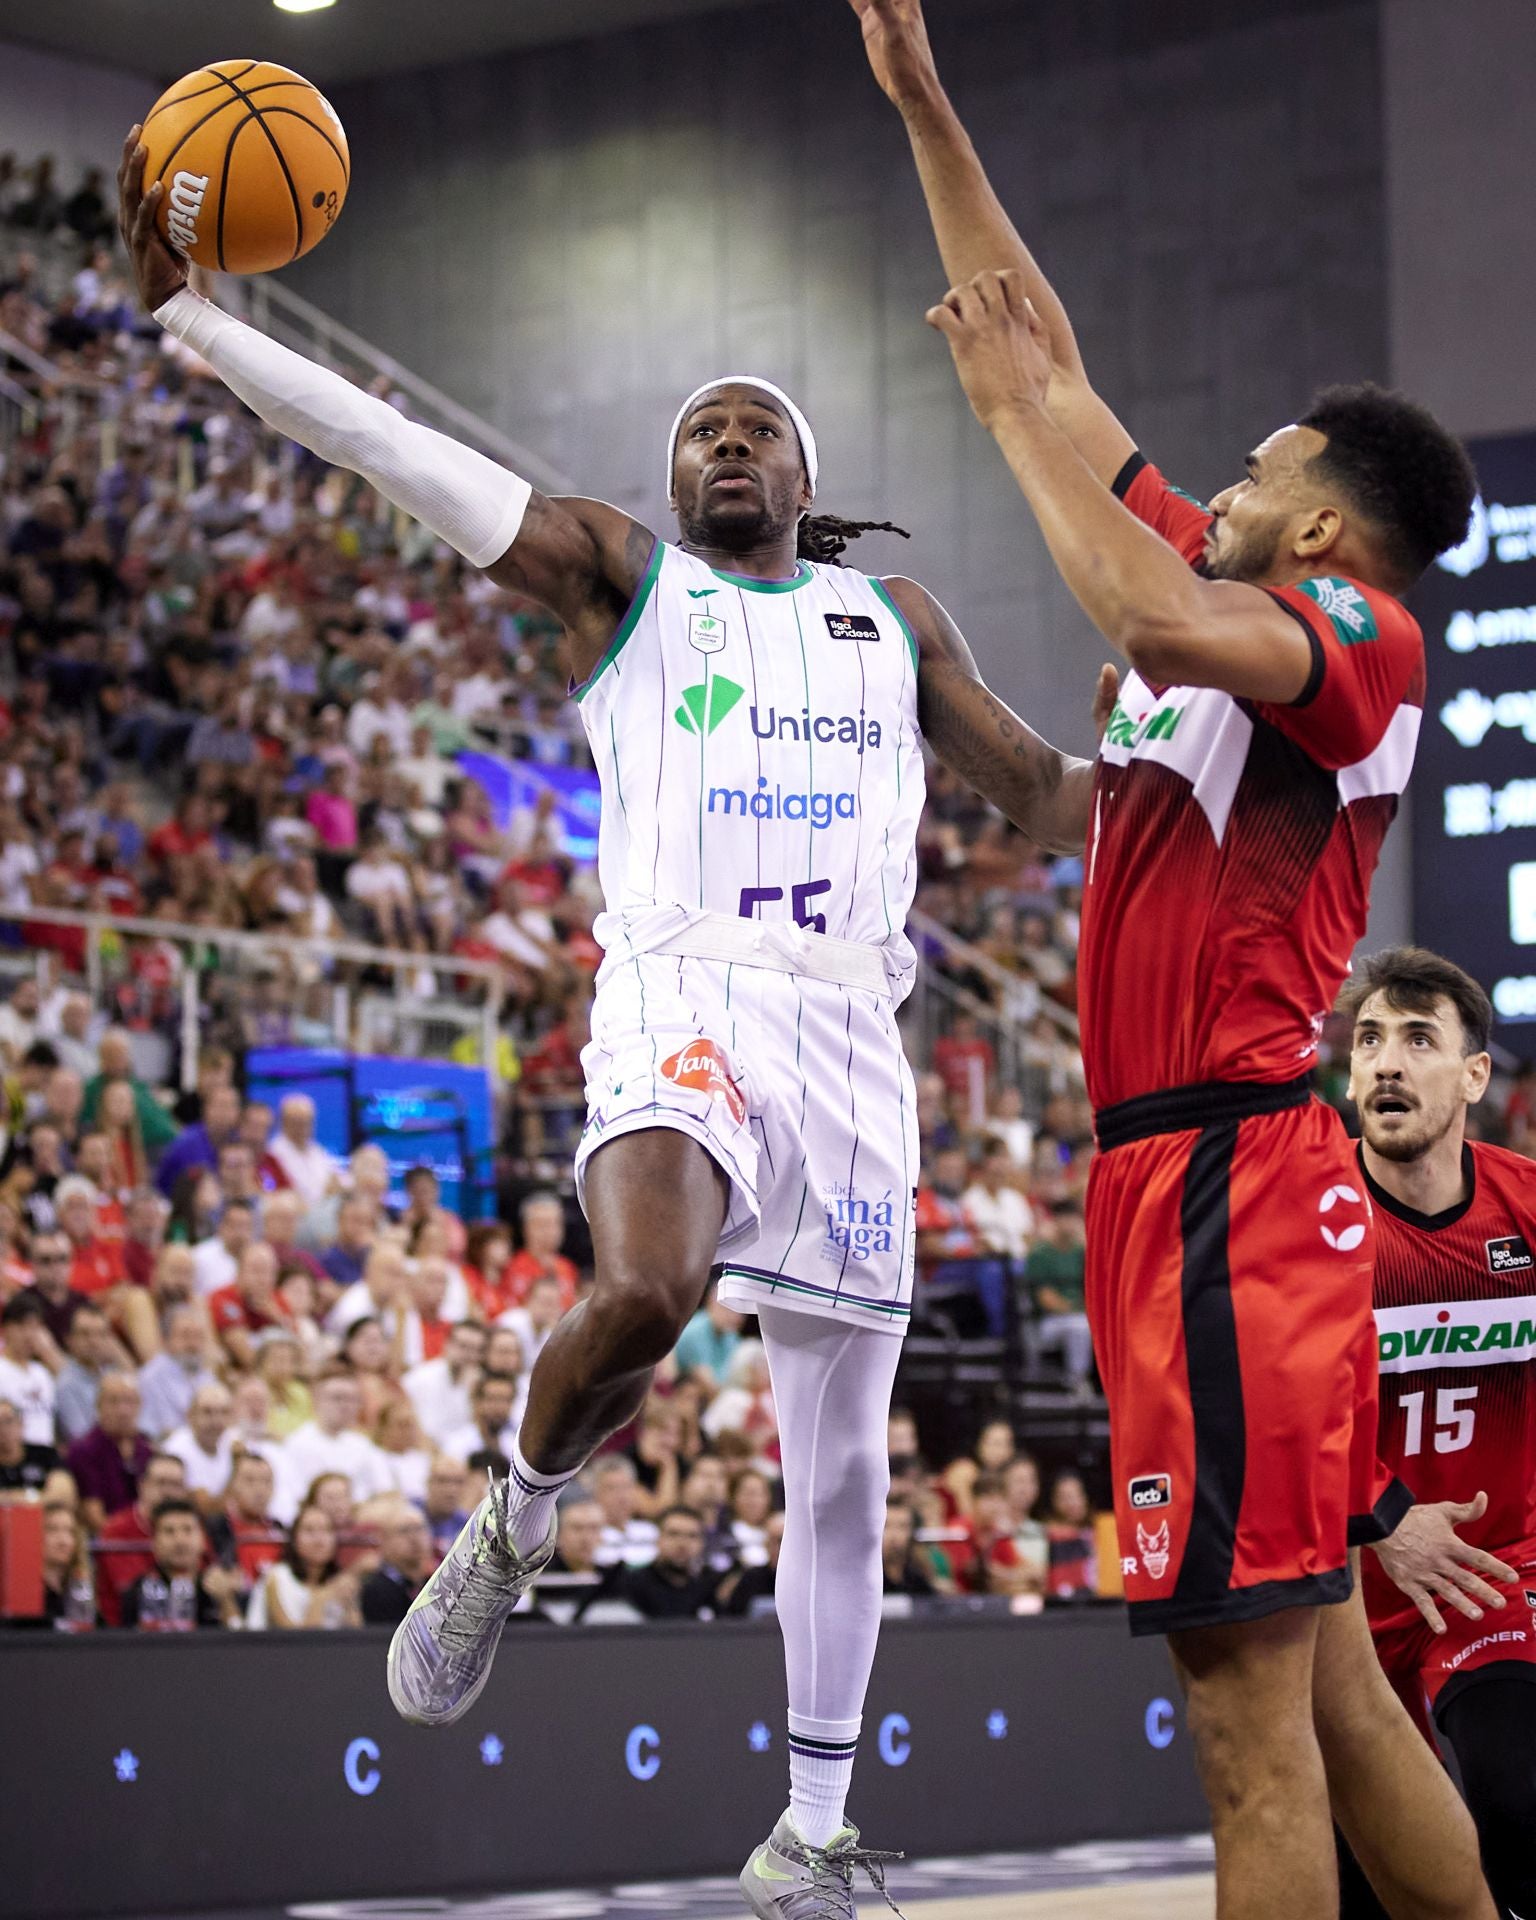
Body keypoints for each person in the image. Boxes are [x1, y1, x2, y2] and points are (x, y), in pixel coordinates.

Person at [120, 134, 1105, 1911]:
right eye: (697, 428)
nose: (722, 440)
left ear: (807, 469)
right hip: (684, 986)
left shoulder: (894, 624)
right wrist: (205, 328)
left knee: (840, 1466)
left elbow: (1047, 793)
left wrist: (1207, 765)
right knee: (647, 1289)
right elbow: (404, 455)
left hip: (852, 1047)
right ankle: (511, 1517)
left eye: (754, 425)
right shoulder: (625, 584)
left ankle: (808, 1833)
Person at [852, 0, 1489, 1908]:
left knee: (1246, 1728)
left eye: (1239, 471)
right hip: (1171, 1182)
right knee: (1343, 1692)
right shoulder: (1227, 610)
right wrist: (924, 107)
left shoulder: (1351, 634)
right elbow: (1045, 350)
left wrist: (1000, 423)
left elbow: (1124, 578)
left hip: (1229, 1185)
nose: (1198, 485)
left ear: (1315, 515)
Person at [1332, 950, 1536, 1920]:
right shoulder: (1309, 1222)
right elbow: (1259, 1413)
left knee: (1520, 1795)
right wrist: (1384, 1516)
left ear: (1475, 1076)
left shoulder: (1526, 1210)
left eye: (1419, 1040)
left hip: (1493, 1578)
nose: (1386, 1064)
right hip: (1345, 1604)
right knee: (1369, 1891)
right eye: (1370, 1039)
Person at [94, 1452, 190, 1627]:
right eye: (161, 1483)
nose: (168, 1492)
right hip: (125, 1634)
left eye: (176, 1485)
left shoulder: (193, 1525)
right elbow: (136, 1593)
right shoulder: (117, 1530)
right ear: (142, 1485)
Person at [119, 1498, 244, 1631]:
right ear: (154, 1543)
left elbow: (240, 1640)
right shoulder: (140, 1592)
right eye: (169, 1531)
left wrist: (226, 1601)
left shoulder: (218, 1586)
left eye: (188, 1530)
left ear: (203, 1540)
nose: (180, 1540)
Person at [247, 1501, 362, 1630]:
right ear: (294, 1540)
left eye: (326, 1530)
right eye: (309, 1530)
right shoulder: (277, 1578)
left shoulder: (341, 1580)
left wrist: (350, 1606)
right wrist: (321, 1597)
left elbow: (355, 1637)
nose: (319, 1540)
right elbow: (295, 1641)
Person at [66, 1372, 152, 1531]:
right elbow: (93, 1514)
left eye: (130, 1401)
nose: (123, 1410)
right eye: (113, 1401)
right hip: (109, 1540)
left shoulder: (148, 1449)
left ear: (140, 1406)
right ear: (98, 1406)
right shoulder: (84, 1450)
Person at [1026, 1199, 1093, 1394]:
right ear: (1054, 1221)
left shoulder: (1081, 1252)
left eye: (1073, 1219)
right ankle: (1077, 1381)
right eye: (1064, 1219)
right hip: (1048, 1322)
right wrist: (1080, 1309)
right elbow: (1045, 1298)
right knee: (1079, 1326)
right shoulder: (1041, 1254)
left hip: (1081, 1315)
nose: (1069, 1224)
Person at [0, 1502, 98, 1631]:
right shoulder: (23, 1594)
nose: (63, 1540)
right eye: (52, 1530)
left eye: (70, 1532)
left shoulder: (78, 1590)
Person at [619, 1506, 726, 1620]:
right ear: (658, 1539)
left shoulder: (711, 1587)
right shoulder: (632, 1585)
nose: (682, 1544)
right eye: (673, 1534)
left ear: (702, 1543)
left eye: (692, 1536)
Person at [136, 1304, 218, 1440]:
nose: (193, 1344)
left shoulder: (206, 1376)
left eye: (198, 1336)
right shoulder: (150, 1378)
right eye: (185, 1335)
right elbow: (155, 1432)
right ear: (165, 1340)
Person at [162, 1382, 236, 1514]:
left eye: (223, 1412)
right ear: (191, 1416)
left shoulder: (231, 1440)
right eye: (207, 1412)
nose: (216, 1421)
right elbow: (207, 1510)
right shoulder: (177, 1449)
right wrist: (237, 1467)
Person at [359, 1501, 434, 1627]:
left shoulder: (436, 1584)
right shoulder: (375, 1590)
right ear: (384, 1540)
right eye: (404, 1531)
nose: (414, 1538)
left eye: (420, 1529)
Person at [0, 1292, 58, 1446]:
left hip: (45, 1456)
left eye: (35, 1327)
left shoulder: (42, 1373)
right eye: (22, 1326)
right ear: (6, 1328)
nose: (29, 1335)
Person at [0, 1395, 58, 1492]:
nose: (3, 1429)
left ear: (21, 1423)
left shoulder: (45, 1455)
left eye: (8, 1421)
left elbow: (63, 1494)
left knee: (60, 1508)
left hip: (41, 1506)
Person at [880, 1497, 934, 1599]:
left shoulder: (918, 1574)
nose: (894, 1535)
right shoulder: (865, 1574)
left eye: (902, 1527)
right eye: (886, 1526)